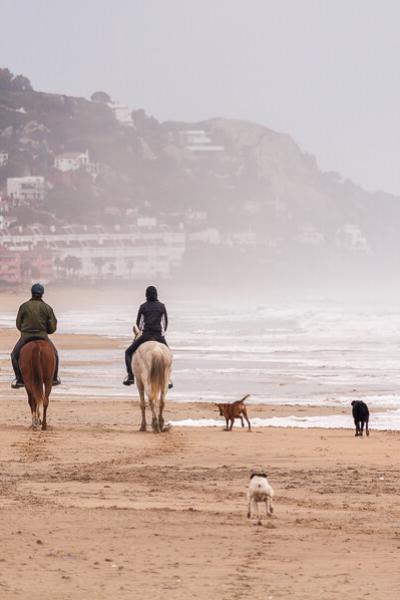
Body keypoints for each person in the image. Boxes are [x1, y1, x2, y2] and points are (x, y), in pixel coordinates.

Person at [10, 283, 61, 389]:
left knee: (14, 356)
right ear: (42, 294)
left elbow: (18, 324)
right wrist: (44, 330)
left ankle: (19, 379)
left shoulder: (24, 306)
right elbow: (52, 328)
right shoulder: (47, 308)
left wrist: (25, 330)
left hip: (26, 337)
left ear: (32, 293)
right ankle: (54, 379)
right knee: (55, 354)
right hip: (42, 337)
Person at [123, 285, 172, 387]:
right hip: (158, 335)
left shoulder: (143, 306)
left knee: (128, 352)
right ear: (156, 294)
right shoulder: (162, 306)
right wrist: (161, 335)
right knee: (169, 355)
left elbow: (139, 324)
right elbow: (164, 323)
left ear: (146, 295)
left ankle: (130, 376)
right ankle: (168, 379)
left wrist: (141, 333)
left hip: (146, 335)